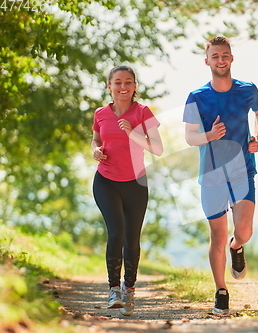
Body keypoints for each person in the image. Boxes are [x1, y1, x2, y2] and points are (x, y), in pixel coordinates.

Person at [183, 36, 258, 313]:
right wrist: (210, 134)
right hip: (211, 175)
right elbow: (189, 138)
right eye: (215, 56)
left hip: (243, 168)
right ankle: (221, 290)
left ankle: (237, 247)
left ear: (231, 58)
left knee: (243, 231)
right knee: (216, 236)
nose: (221, 59)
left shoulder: (247, 89)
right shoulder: (197, 96)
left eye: (225, 55)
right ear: (207, 61)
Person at [91, 65, 163, 316]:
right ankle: (113, 290)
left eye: (128, 82)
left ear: (135, 86)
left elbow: (158, 148)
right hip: (106, 180)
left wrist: (132, 133)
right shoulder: (100, 113)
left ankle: (129, 290)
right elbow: (97, 139)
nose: (123, 87)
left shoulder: (143, 112)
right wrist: (95, 150)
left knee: (132, 239)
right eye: (118, 82)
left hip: (135, 183)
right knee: (116, 232)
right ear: (108, 86)